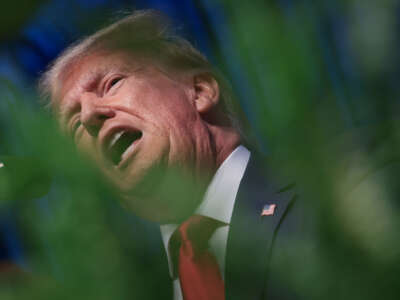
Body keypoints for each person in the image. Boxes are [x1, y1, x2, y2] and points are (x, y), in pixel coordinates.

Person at [39, 10, 303, 300]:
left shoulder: (327, 203)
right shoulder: (128, 289)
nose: (89, 116)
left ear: (200, 91)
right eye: (75, 126)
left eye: (112, 83)